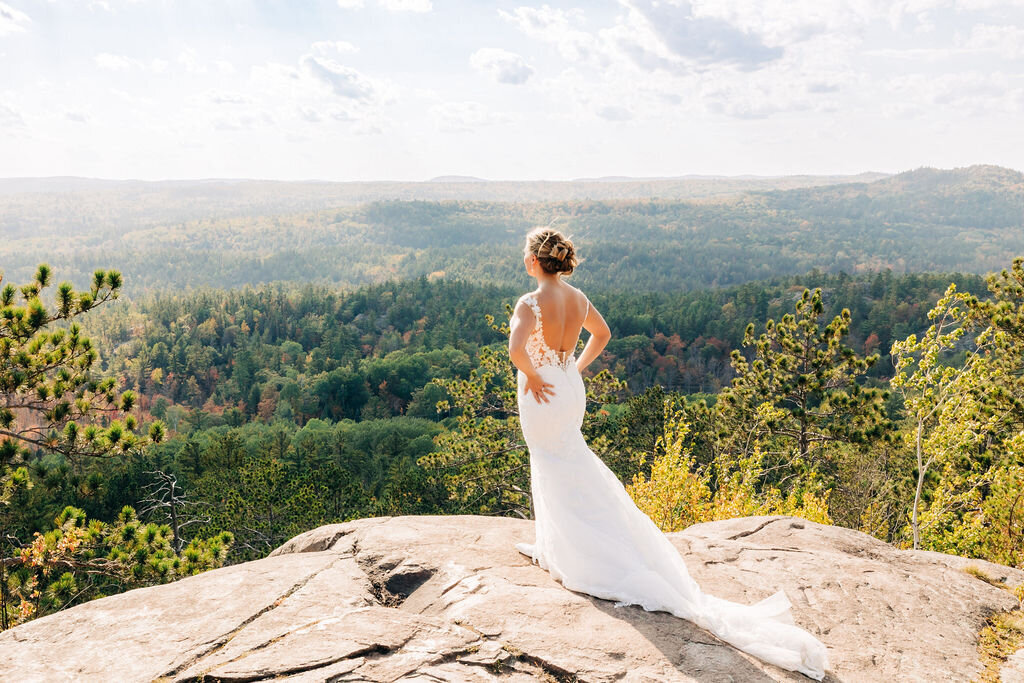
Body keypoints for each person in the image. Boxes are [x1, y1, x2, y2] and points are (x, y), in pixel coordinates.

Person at [507, 226, 830, 681]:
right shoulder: (578, 299)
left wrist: (537, 376)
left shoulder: (529, 303)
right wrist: (572, 369)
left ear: (532, 261)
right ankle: (556, 543)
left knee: (549, 460)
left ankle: (561, 549)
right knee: (570, 460)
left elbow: (516, 351)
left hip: (542, 390)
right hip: (570, 387)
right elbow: (603, 334)